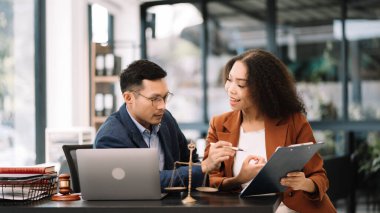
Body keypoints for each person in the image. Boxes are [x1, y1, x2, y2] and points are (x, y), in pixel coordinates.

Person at [203, 49, 336, 212]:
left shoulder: (293, 121)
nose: (230, 89)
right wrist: (239, 179)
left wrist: (304, 184)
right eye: (229, 80)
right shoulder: (219, 124)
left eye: (241, 84)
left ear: (263, 89)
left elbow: (320, 177)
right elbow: (210, 180)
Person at [94, 59, 233, 192]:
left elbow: (189, 160)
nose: (162, 106)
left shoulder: (166, 119)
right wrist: (204, 166)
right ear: (128, 98)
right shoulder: (110, 137)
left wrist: (228, 174)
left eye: (165, 97)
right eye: (154, 99)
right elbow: (144, 182)